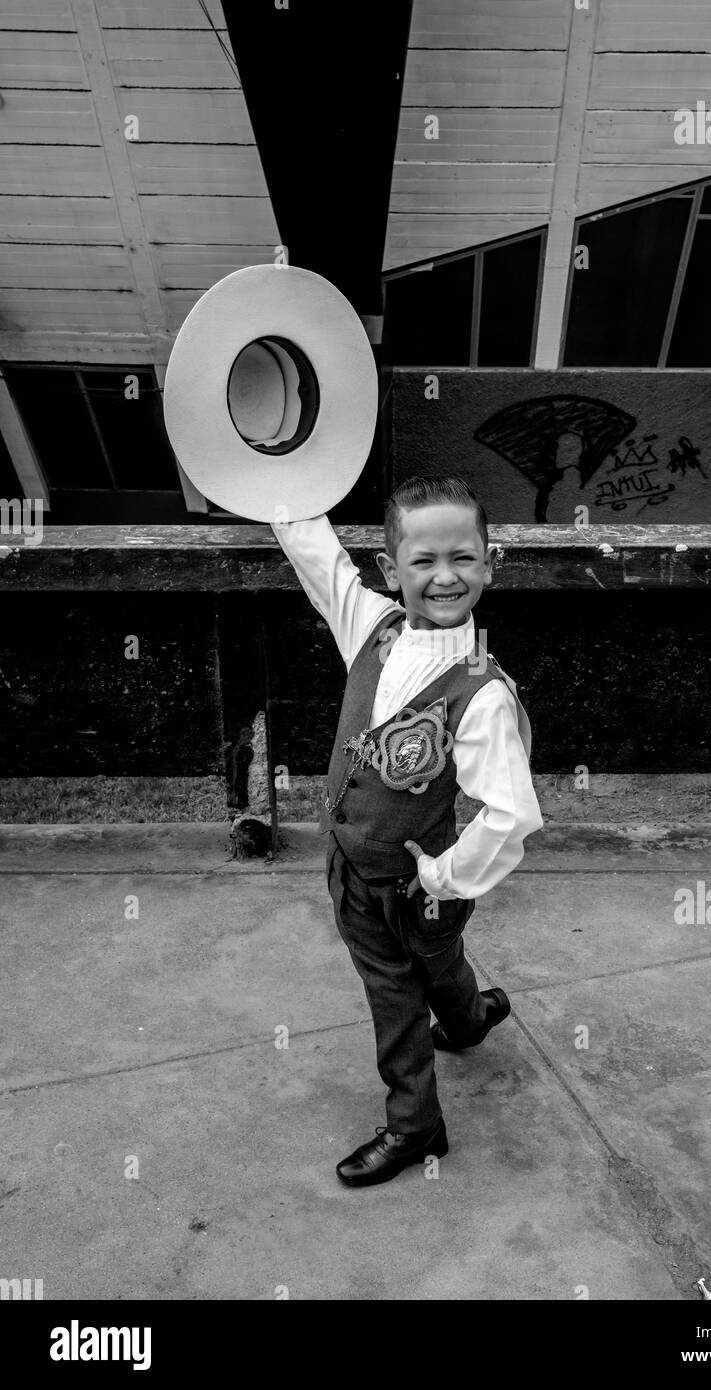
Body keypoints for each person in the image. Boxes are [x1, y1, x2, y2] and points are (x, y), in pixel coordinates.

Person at [272, 475, 543, 1187]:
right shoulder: (372, 625)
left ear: (489, 563)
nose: (444, 576)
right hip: (353, 863)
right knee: (442, 958)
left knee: (394, 998)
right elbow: (319, 560)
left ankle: (416, 1126)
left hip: (411, 881)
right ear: (391, 570)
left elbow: (511, 813)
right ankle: (465, 1020)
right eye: (423, 561)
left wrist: (441, 875)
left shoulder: (481, 690)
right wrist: (268, 483)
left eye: (463, 557)